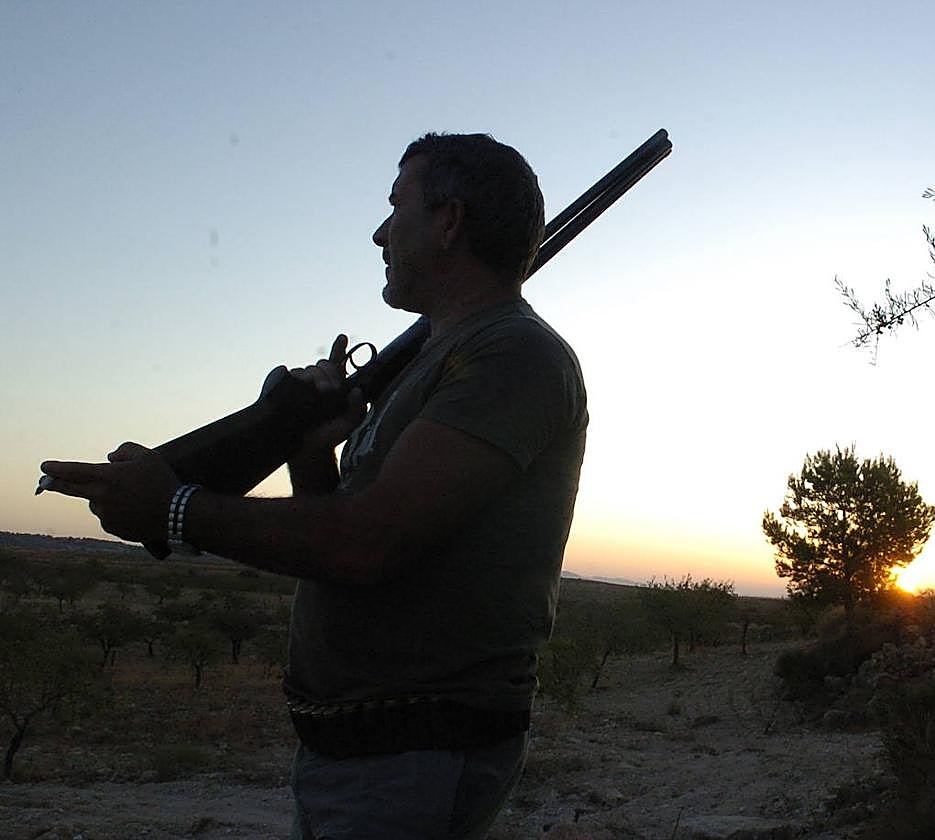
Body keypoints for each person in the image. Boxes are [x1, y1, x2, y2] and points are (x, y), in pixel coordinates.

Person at [40, 132, 588, 839]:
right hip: (366, 757)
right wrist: (307, 451)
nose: (379, 232)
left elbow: (369, 545)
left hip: (414, 756)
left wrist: (175, 507)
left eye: (398, 207)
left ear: (449, 222)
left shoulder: (512, 353)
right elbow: (345, 536)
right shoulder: (440, 359)